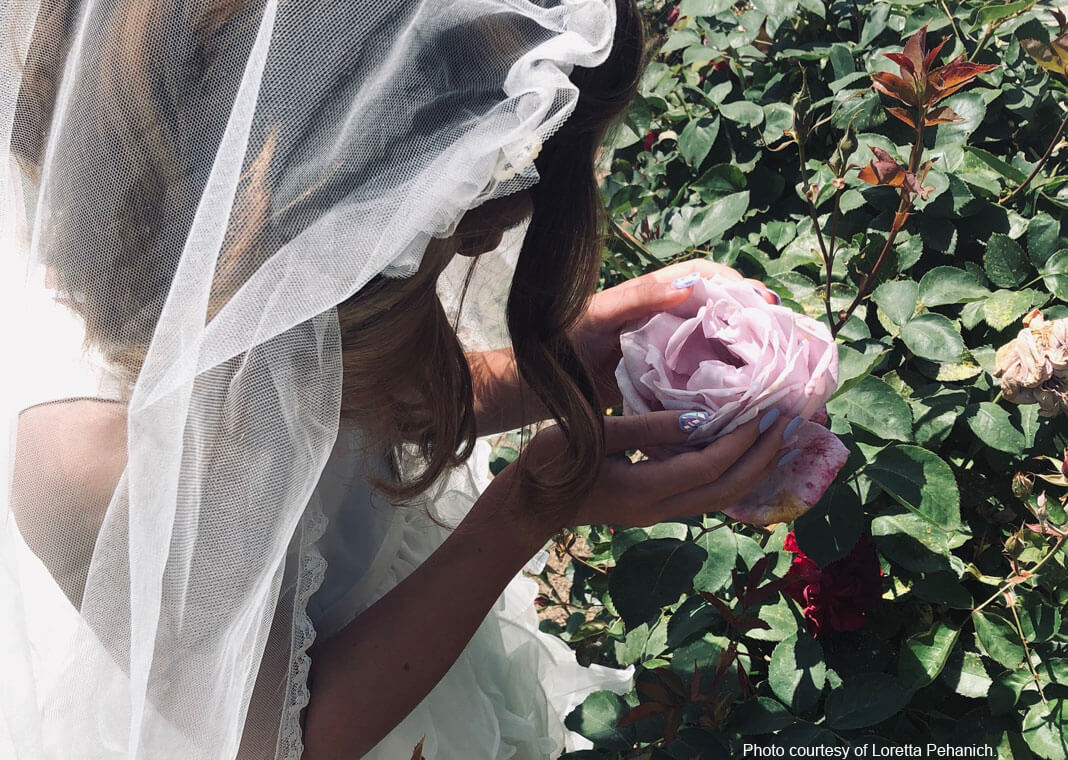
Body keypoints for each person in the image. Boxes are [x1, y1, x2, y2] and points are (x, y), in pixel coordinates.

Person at [0, 0, 790, 758]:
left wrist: (552, 369)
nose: (485, 240)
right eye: (483, 196)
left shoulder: (277, 226)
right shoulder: (91, 454)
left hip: (405, 637)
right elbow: (281, 741)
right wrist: (526, 509)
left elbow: (344, 412)